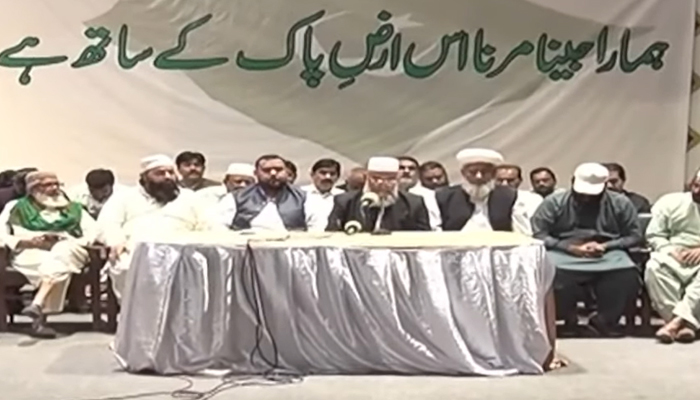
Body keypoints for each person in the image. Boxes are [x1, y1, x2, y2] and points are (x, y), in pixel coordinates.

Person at [531, 163, 642, 337]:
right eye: (582, 194)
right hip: (563, 251)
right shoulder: (554, 202)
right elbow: (539, 233)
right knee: (552, 273)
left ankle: (604, 320)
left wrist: (606, 246)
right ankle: (567, 319)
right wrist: (570, 247)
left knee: (627, 275)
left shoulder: (621, 203)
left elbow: (634, 235)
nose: (587, 198)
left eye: (592, 195)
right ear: (572, 182)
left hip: (608, 251)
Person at [98, 155, 216, 299]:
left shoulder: (189, 197)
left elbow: (209, 223)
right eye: (160, 173)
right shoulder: (124, 197)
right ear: (145, 177)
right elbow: (108, 223)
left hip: (183, 251)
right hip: (138, 252)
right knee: (129, 267)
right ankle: (140, 313)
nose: (167, 177)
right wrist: (115, 241)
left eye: (170, 172)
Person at [0, 171, 98, 338]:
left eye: (56, 184)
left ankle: (38, 305)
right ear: (33, 188)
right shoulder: (16, 207)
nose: (54, 188)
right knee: (56, 265)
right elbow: (1, 234)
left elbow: (94, 232)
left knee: (62, 251)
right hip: (30, 252)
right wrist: (26, 242)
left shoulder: (74, 208)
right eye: (48, 185)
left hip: (71, 249)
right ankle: (39, 307)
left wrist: (68, 240)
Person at [645, 171, 700, 343]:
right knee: (654, 267)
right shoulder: (670, 202)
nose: (697, 191)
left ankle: (674, 324)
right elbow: (654, 235)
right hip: (674, 253)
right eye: (696, 186)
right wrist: (670, 250)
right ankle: (685, 325)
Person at [436, 149, 531, 235]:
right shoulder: (443, 197)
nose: (479, 176)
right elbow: (435, 233)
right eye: (473, 172)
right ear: (463, 173)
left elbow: (522, 234)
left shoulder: (511, 197)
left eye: (484, 172)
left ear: (494, 173)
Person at [218, 154, 324, 231]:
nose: (273, 173)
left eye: (278, 169)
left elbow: (316, 230)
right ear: (256, 173)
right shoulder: (235, 198)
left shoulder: (306, 198)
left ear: (286, 173)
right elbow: (220, 229)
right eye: (266, 170)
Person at [326, 157, 430, 232]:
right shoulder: (345, 201)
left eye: (390, 179)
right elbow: (332, 235)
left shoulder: (414, 203)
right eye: (376, 178)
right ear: (367, 177)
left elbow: (425, 238)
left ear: (397, 178)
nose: (382, 183)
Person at [398, 156, 441, 230]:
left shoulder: (431, 195)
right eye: (401, 168)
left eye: (411, 168)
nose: (406, 171)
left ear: (418, 173)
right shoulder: (385, 196)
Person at [301, 158, 343, 224]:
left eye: (332, 174)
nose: (328, 177)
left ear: (338, 177)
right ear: (312, 174)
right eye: (323, 173)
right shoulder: (300, 194)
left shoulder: (343, 197)